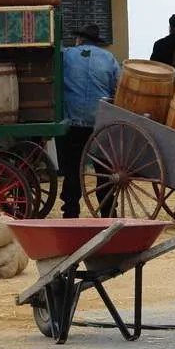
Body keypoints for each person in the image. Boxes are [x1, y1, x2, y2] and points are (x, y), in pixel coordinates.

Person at [58, 24, 120, 218]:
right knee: (104, 171)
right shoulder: (109, 58)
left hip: (73, 123)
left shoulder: (67, 55)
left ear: (79, 39)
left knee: (73, 170)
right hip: (100, 123)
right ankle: (108, 212)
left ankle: (70, 212)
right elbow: (117, 88)